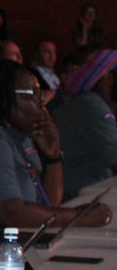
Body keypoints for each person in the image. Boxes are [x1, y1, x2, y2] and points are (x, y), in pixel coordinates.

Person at [0, 60, 113, 229]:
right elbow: (9, 213)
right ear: (1, 95)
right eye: (32, 94)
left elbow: (47, 205)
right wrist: (76, 216)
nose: (41, 104)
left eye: (40, 95)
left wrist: (53, 158)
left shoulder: (17, 136)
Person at [53, 48, 117, 197]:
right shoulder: (91, 105)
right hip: (77, 195)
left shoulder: (95, 101)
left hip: (95, 187)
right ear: (107, 79)